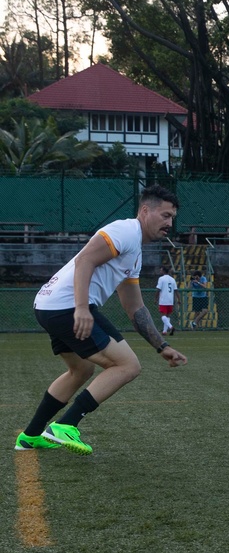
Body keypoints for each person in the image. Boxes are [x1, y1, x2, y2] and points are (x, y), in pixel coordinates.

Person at [16, 184, 188, 455]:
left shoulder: (134, 250)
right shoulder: (125, 231)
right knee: (128, 366)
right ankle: (66, 426)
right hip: (67, 306)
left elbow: (134, 307)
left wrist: (161, 346)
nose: (170, 223)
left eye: (172, 217)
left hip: (48, 305)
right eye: (165, 215)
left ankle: (30, 435)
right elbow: (85, 260)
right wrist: (82, 308)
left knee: (81, 370)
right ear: (145, 211)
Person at [156, 265, 178, 336]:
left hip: (163, 299)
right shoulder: (172, 279)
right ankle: (164, 331)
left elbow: (158, 289)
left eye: (161, 270)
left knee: (163, 316)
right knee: (167, 316)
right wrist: (179, 299)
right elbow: (176, 290)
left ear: (163, 271)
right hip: (170, 300)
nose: (160, 271)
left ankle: (171, 327)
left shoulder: (161, 279)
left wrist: (155, 298)